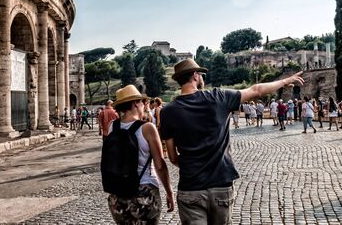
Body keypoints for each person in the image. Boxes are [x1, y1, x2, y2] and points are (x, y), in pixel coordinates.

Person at [160, 58, 304, 224]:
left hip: (190, 187)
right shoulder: (218, 97)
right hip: (221, 184)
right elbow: (256, 90)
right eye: (201, 74)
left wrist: (191, 164)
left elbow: (172, 157)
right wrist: (285, 81)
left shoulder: (167, 111)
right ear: (195, 75)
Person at [107, 85, 174, 224]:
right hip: (144, 191)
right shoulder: (147, 128)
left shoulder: (112, 126)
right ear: (135, 103)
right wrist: (169, 192)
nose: (144, 105)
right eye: (142, 102)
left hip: (118, 195)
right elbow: (160, 165)